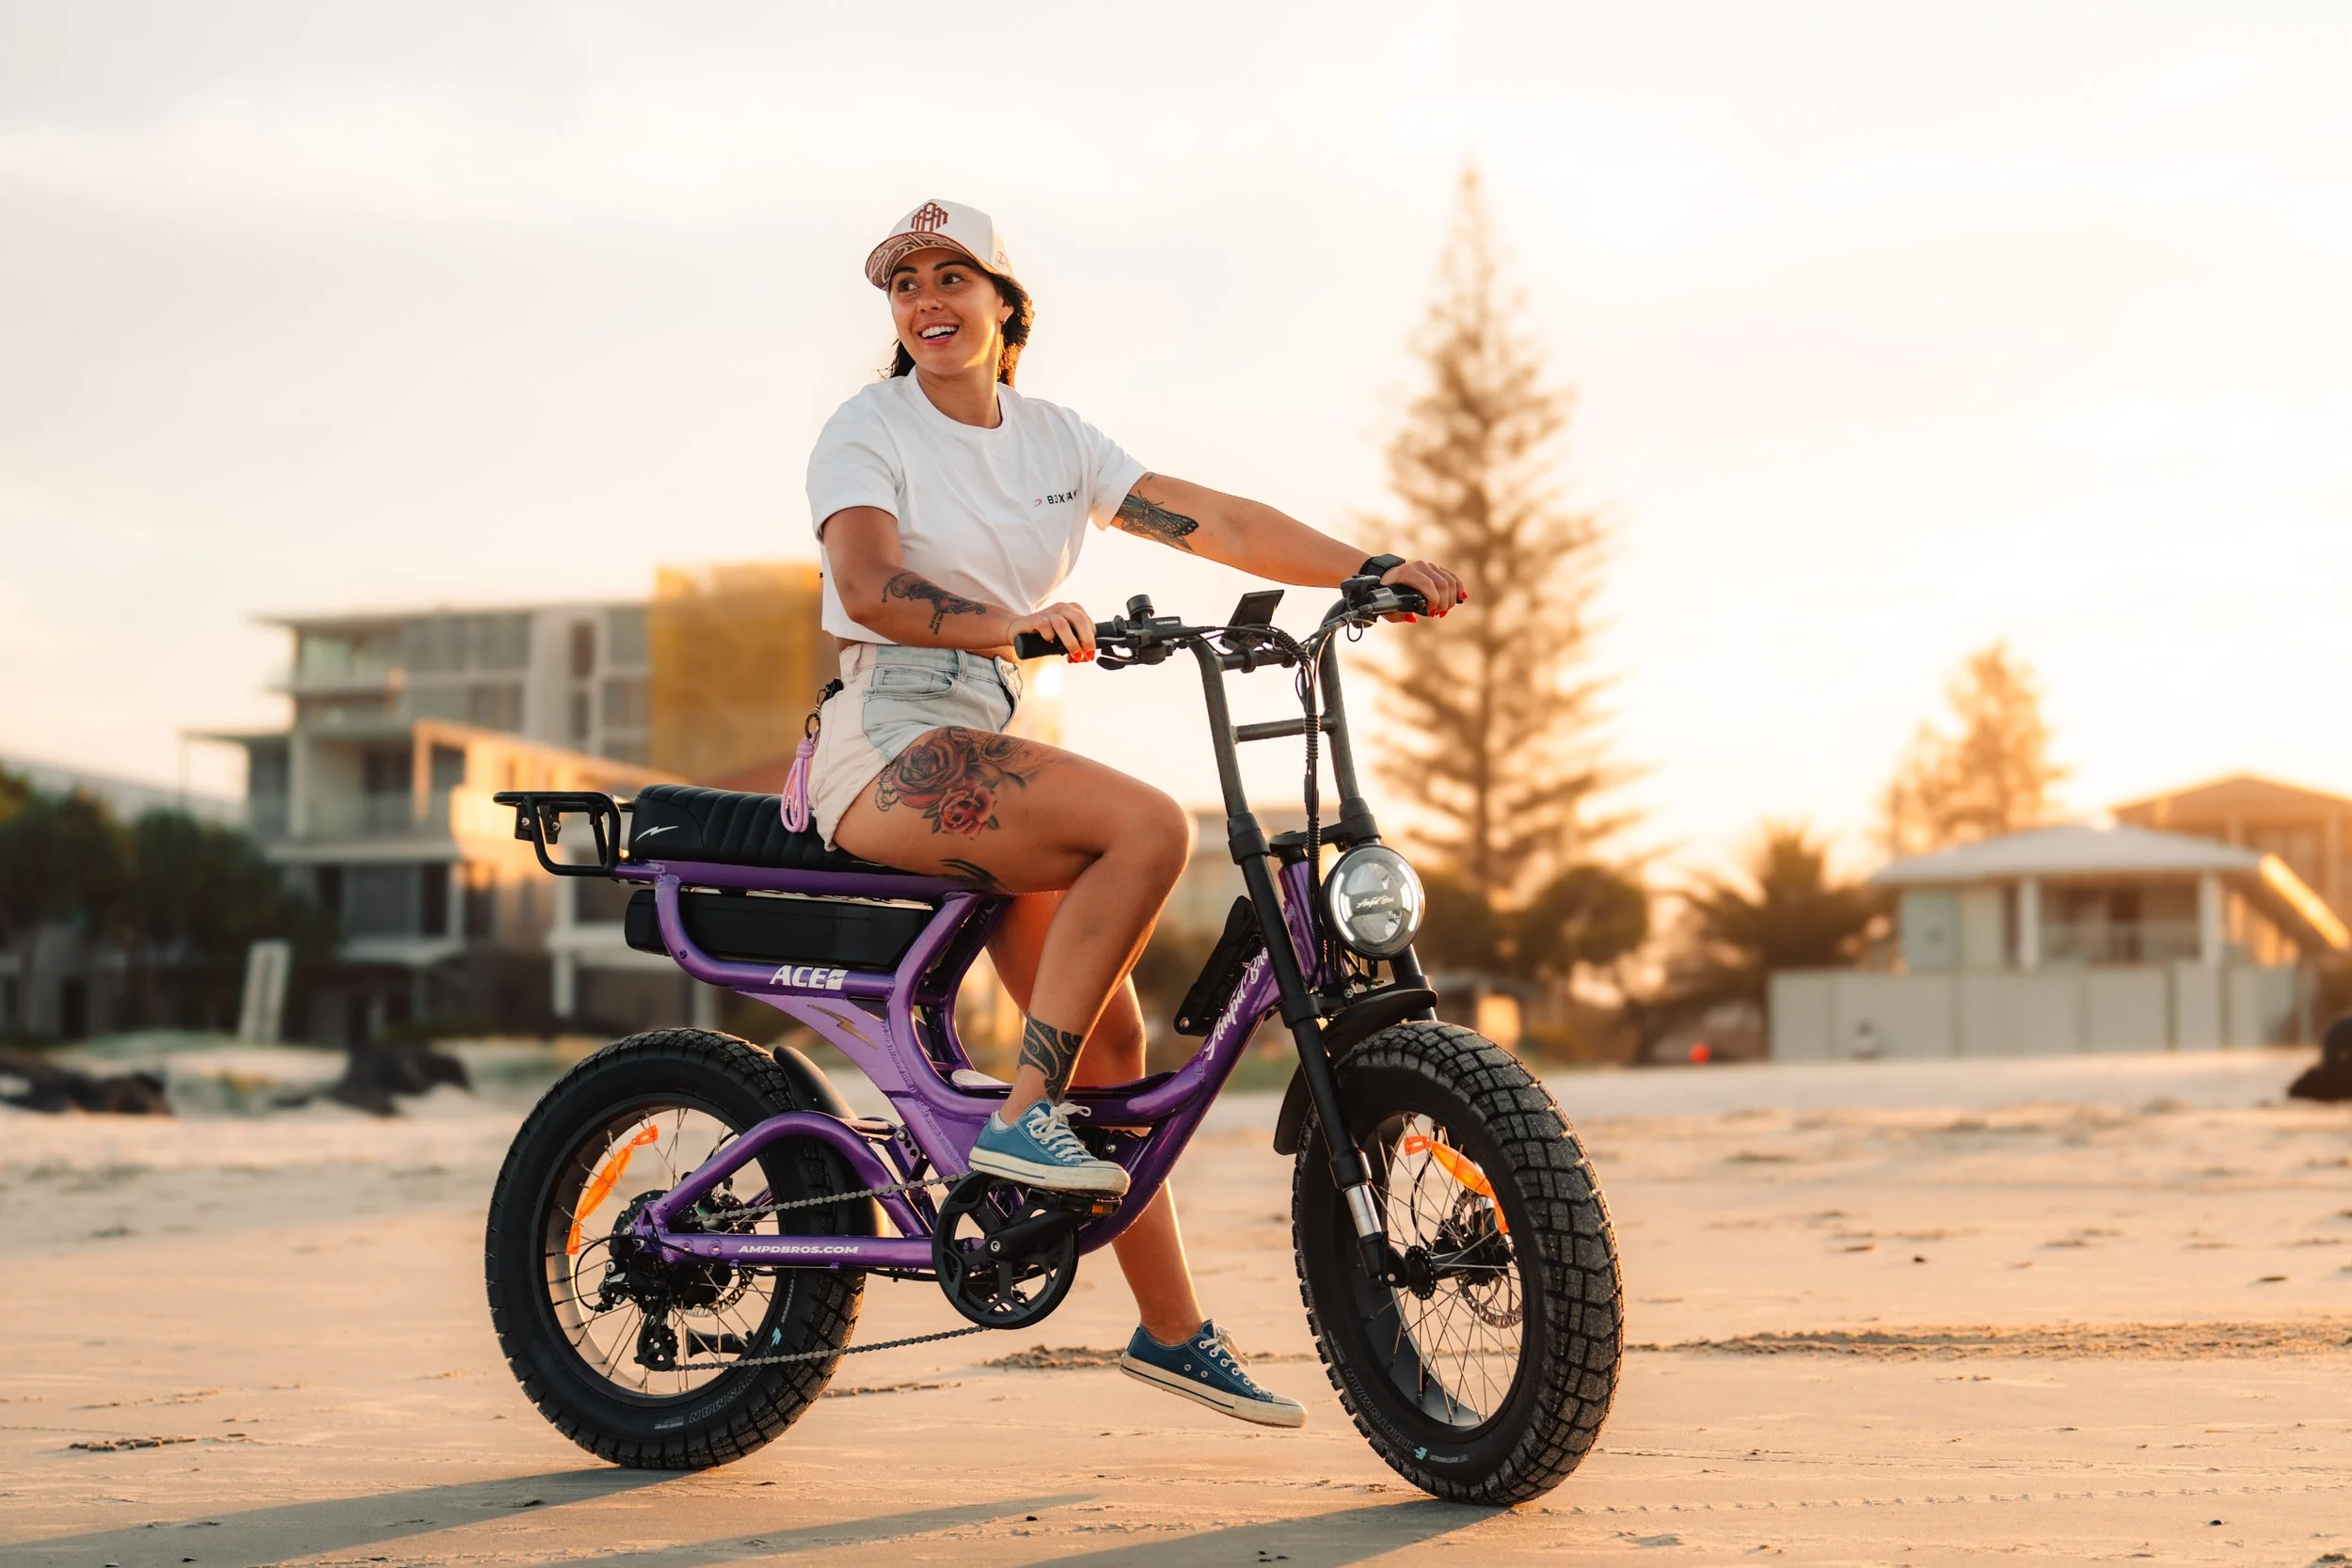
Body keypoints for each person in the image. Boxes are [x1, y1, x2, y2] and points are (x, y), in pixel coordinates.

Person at [803, 198, 1465, 1428]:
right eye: (904, 283)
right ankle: (1020, 1121)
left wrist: (1366, 569)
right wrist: (1007, 623)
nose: (927, 299)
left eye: (955, 276)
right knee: (1151, 827)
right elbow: (867, 582)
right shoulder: (868, 429)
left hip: (995, 732)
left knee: (1110, 1051)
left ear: (1008, 304)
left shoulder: (1058, 441)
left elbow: (1213, 519)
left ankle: (1169, 1332)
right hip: (890, 739)